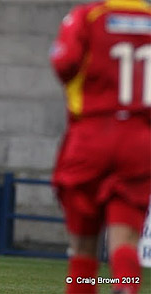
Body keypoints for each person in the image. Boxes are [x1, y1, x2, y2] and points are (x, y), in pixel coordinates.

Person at [50, 1, 150, 293]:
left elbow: (64, 64)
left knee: (83, 245)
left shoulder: (87, 16)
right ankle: (126, 287)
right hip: (139, 139)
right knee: (127, 241)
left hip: (92, 133)